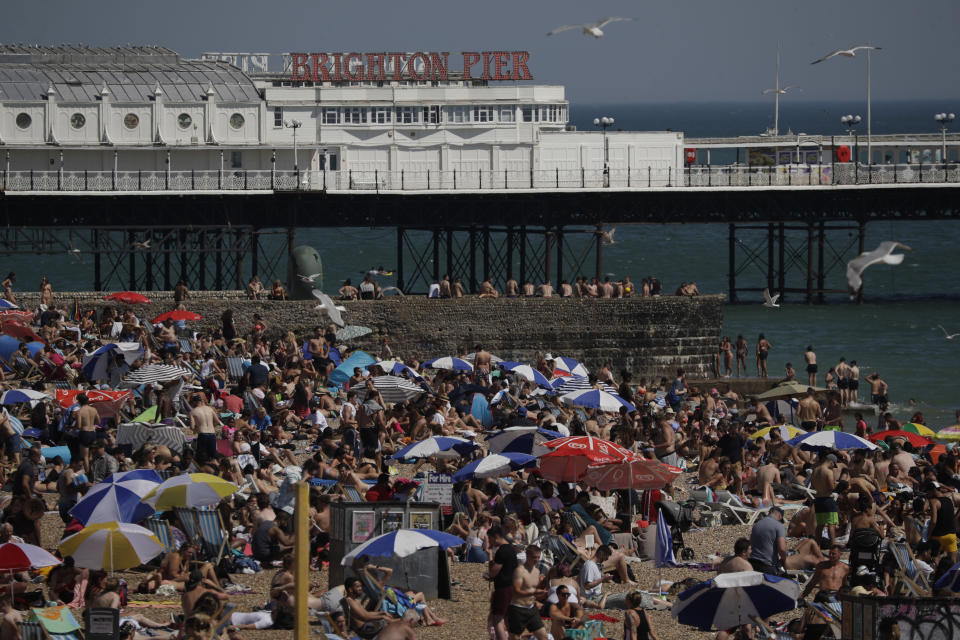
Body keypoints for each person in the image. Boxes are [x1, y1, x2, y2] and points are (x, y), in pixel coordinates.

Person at [506, 545, 547, 640]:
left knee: (543, 636)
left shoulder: (537, 571)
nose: (536, 560)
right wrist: (533, 592)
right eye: (534, 557)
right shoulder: (519, 571)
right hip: (518, 608)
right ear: (527, 556)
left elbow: (532, 591)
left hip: (532, 608)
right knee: (514, 637)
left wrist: (542, 595)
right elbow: (516, 591)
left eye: (538, 557)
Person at [486, 525, 517, 640]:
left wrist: (490, 559)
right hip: (512, 587)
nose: (489, 541)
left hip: (503, 588)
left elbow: (493, 573)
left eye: (490, 539)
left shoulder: (502, 551)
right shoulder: (510, 549)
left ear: (496, 537)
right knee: (508, 619)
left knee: (497, 620)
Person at [748, 507, 786, 575]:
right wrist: (785, 560)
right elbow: (782, 549)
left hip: (752, 563)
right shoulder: (779, 526)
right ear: (780, 516)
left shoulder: (757, 524)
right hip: (767, 566)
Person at [925, 481, 957, 563]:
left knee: (936, 559)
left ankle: (937, 575)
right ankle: (954, 575)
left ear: (932, 490)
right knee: (953, 560)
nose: (927, 493)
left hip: (938, 536)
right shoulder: (949, 500)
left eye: (927, 491)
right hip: (951, 535)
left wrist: (928, 535)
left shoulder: (933, 501)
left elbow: (933, 521)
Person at [812, 453, 840, 545]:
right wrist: (836, 484)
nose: (833, 467)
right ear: (831, 462)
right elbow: (831, 487)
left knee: (820, 525)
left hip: (818, 500)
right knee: (831, 524)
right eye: (834, 465)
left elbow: (812, 486)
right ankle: (833, 545)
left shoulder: (815, 470)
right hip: (828, 500)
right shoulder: (828, 472)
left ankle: (817, 545)